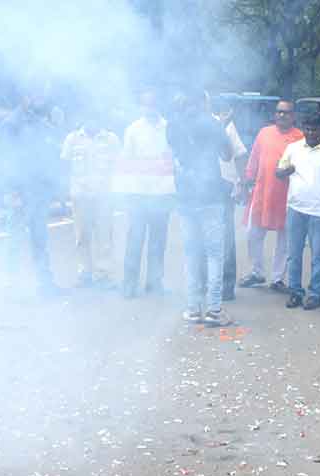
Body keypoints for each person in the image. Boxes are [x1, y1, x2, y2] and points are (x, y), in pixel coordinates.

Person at [167, 90, 233, 327]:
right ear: (204, 102)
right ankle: (214, 310)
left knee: (191, 253)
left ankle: (193, 308)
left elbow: (176, 154)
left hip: (185, 195)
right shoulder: (212, 124)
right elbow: (227, 155)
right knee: (214, 254)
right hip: (210, 197)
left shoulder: (173, 125)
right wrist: (222, 127)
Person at [0, 91, 65, 297]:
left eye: (41, 95)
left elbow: (49, 154)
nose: (40, 99)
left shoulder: (38, 122)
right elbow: (6, 161)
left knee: (40, 238)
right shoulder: (11, 124)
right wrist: (11, 190)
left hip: (38, 190)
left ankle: (45, 283)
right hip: (20, 191)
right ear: (24, 97)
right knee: (15, 240)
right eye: (35, 95)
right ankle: (11, 286)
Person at [277, 113, 320, 310]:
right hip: (295, 209)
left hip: (319, 212)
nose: (310, 133)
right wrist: (287, 171)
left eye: (314, 129)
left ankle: (315, 294)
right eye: (306, 129)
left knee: (319, 256)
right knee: (294, 254)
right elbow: (278, 172)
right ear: (302, 128)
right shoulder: (293, 148)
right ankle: (296, 292)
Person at [113, 89, 175, 298]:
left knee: (158, 241)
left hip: (162, 194)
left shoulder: (169, 128)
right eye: (146, 104)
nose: (150, 108)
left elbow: (174, 161)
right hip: (138, 195)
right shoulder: (133, 130)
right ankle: (129, 284)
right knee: (135, 240)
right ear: (141, 107)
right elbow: (125, 163)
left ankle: (154, 282)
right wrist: (124, 194)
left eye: (153, 103)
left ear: (159, 105)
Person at [239, 99, 303, 291]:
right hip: (261, 192)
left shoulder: (300, 137)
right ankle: (257, 272)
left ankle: (277, 279)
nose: (282, 115)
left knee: (284, 239)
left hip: (287, 196)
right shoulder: (264, 133)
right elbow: (254, 158)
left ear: (294, 116)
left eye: (286, 112)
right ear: (275, 114)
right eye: (279, 112)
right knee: (253, 234)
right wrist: (246, 180)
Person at [60, 116, 121, 288]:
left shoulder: (111, 139)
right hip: (80, 196)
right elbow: (64, 166)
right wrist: (65, 195)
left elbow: (119, 167)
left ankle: (104, 275)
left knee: (104, 236)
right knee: (82, 236)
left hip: (104, 197)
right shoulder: (72, 139)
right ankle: (85, 273)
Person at [214, 100, 249, 302]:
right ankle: (206, 283)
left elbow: (239, 155)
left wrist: (242, 184)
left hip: (224, 190)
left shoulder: (226, 126)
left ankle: (227, 286)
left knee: (226, 238)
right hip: (201, 191)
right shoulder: (195, 124)